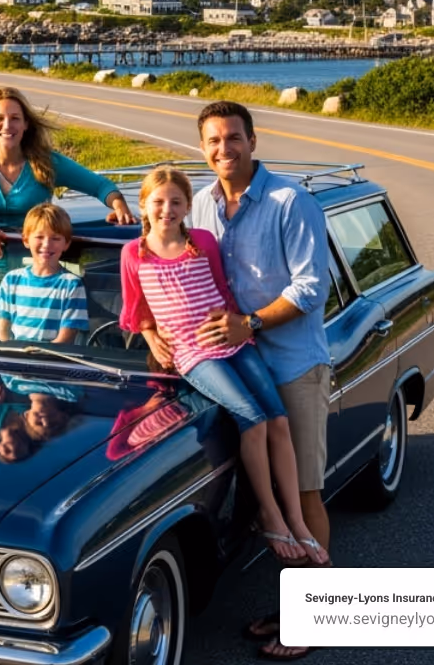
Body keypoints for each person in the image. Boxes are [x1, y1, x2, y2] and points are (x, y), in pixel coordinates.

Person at [119, 167, 327, 569]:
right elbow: (135, 309)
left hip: (232, 339)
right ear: (143, 205)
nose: (168, 209)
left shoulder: (203, 241)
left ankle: (296, 520)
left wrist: (241, 328)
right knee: (252, 416)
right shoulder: (135, 253)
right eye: (158, 202)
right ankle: (269, 513)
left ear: (187, 206)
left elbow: (222, 288)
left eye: (176, 201)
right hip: (191, 353)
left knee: (278, 420)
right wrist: (150, 338)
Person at [188, 101, 333, 662]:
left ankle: (313, 620)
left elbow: (309, 289)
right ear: (203, 147)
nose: (223, 150)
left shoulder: (289, 201)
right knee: (257, 497)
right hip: (230, 369)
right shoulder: (199, 202)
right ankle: (288, 607)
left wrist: (246, 323)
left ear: (252, 139)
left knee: (302, 492)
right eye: (213, 142)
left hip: (290, 365)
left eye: (232, 139)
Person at [0, 86, 135, 337]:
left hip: (39, 265)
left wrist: (118, 204)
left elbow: (99, 185)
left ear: (26, 124)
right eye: (0, 118)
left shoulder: (45, 161)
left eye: (15, 118)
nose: (7, 125)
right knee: (0, 339)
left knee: (42, 341)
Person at [0, 204, 88, 344]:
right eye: (39, 237)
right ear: (26, 240)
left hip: (52, 361)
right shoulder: (11, 280)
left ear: (66, 243)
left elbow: (65, 339)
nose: (46, 244)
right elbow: (3, 333)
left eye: (55, 239)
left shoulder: (71, 285)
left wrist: (37, 359)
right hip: (15, 358)